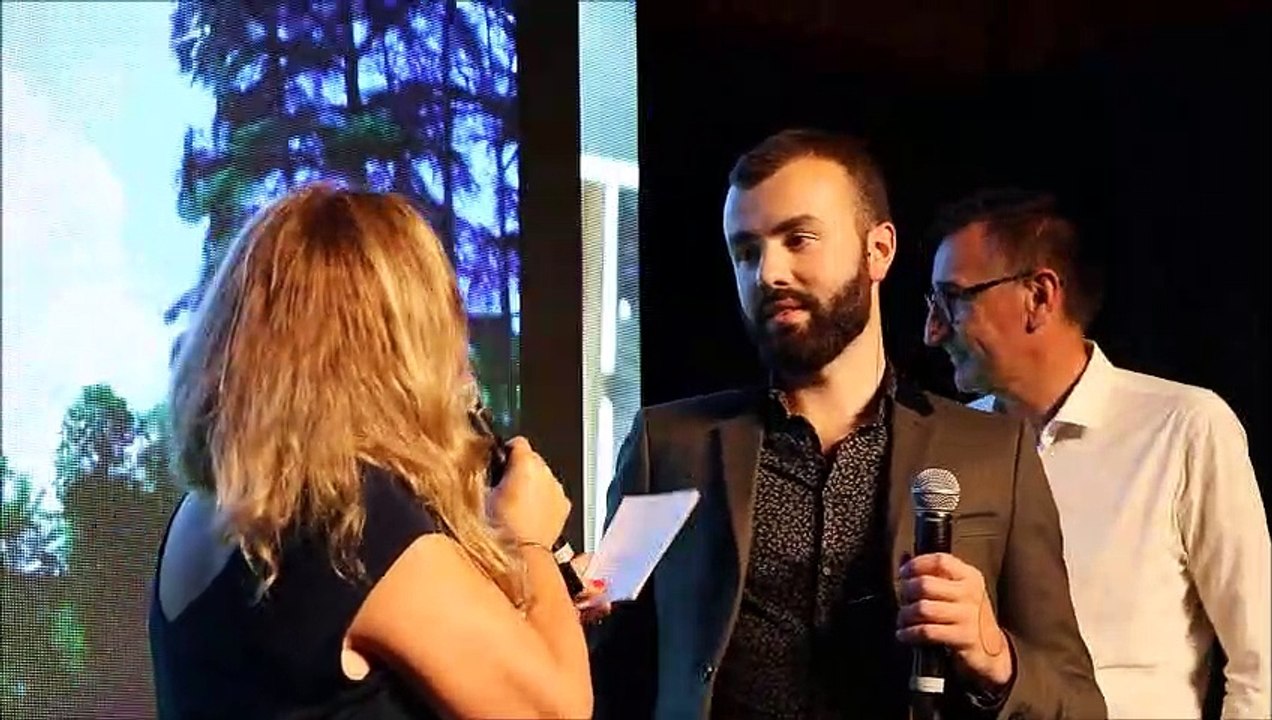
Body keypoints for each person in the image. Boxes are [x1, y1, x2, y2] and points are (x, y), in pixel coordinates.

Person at [583, 129, 1105, 720]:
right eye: (746, 252)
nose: (769, 273)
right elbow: (609, 681)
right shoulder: (670, 444)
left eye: (798, 239)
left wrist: (994, 656)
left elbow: (1079, 705)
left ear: (878, 249)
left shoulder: (993, 454)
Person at [149, 183, 593, 719]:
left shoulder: (208, 513)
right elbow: (558, 712)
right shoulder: (350, 523)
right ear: (403, 342)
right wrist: (530, 542)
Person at [923, 188, 1271, 719]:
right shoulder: (953, 443)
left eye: (953, 300)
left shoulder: (1184, 427)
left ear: (1039, 296)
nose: (932, 332)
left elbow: (1259, 663)